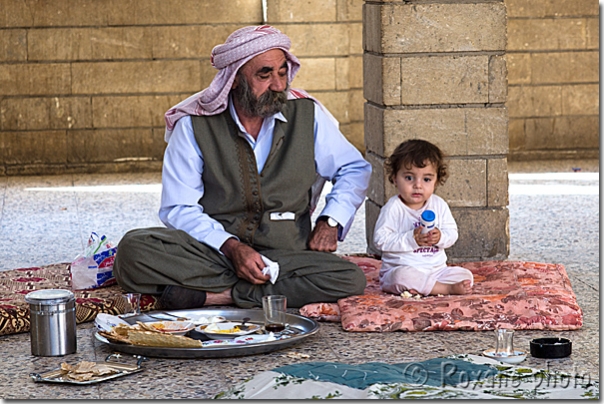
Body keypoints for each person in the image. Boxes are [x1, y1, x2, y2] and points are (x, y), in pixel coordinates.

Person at [113, 25, 371, 309]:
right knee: (133, 251)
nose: (277, 85)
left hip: (286, 254)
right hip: (215, 251)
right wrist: (232, 248)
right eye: (265, 74)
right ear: (234, 79)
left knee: (348, 278)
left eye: (282, 73)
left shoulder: (307, 115)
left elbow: (354, 169)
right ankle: (269, 289)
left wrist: (330, 220)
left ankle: (219, 296)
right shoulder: (194, 125)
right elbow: (178, 208)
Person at [373, 139, 473, 296]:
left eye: (426, 179)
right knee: (400, 277)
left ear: (436, 181)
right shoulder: (393, 208)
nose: (418, 185)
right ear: (394, 178)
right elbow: (380, 240)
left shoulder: (438, 204)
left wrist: (440, 237)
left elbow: (452, 233)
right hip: (402, 268)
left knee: (466, 276)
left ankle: (426, 287)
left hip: (436, 270)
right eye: (409, 178)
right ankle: (445, 289)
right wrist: (411, 239)